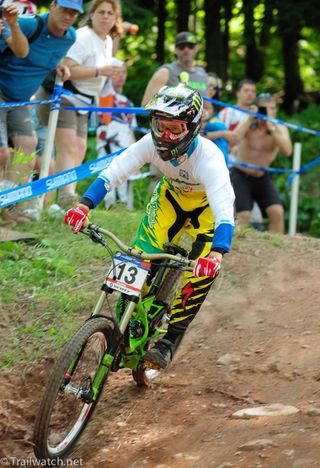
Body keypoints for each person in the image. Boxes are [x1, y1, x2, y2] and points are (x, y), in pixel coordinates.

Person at [64, 84, 235, 370]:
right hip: (170, 200)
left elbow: (223, 208)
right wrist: (83, 206)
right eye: (160, 126)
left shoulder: (210, 158)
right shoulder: (148, 144)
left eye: (174, 129)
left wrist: (217, 253)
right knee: (137, 257)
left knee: (199, 275)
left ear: (192, 128)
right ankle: (122, 327)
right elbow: (113, 173)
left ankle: (169, 341)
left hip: (206, 212)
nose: (165, 136)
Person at [0, 0, 82, 225]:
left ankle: (9, 206)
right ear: (53, 5)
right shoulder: (26, 24)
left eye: (74, 13)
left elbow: (47, 60)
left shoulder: (70, 37)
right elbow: (19, 50)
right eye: (65, 9)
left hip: (20, 98)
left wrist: (59, 67)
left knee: (27, 145)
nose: (68, 16)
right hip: (1, 91)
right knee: (2, 155)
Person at [36, 0, 123, 210]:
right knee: (67, 147)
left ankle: (63, 196)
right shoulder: (82, 36)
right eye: (101, 12)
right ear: (91, 15)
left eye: (110, 13)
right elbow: (65, 69)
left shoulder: (107, 41)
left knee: (80, 148)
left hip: (85, 101)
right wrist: (99, 71)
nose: (105, 17)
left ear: (115, 18)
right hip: (63, 95)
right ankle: (66, 199)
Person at [141, 31, 210, 195]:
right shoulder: (166, 71)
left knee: (195, 181)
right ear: (176, 50)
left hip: (194, 138)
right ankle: (153, 212)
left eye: (190, 46)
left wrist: (205, 113)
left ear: (196, 48)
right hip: (167, 137)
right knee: (159, 178)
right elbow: (146, 104)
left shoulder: (202, 75)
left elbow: (206, 106)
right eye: (182, 46)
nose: (186, 49)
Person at [232, 93, 292, 233]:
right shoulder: (249, 123)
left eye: (273, 108)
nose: (271, 112)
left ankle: (276, 248)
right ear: (258, 109)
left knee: (277, 212)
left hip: (261, 176)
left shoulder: (280, 128)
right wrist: (249, 119)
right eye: (266, 109)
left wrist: (271, 127)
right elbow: (233, 139)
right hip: (241, 174)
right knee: (244, 215)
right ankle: (236, 247)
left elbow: (288, 151)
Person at [96, 60, 137, 209]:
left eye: (123, 72)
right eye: (116, 72)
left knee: (125, 176)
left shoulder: (128, 103)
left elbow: (131, 129)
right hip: (106, 144)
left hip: (125, 145)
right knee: (108, 174)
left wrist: (135, 152)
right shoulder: (103, 95)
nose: (120, 75)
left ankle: (125, 205)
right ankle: (110, 205)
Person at [202, 72, 239, 165]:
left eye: (215, 87)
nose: (211, 89)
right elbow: (196, 136)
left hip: (222, 162)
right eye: (208, 85)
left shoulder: (213, 109)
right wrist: (222, 133)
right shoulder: (197, 107)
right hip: (207, 162)